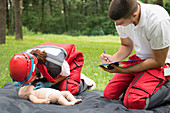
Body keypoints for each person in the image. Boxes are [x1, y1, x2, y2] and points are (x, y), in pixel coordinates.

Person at [100, 0, 170, 109]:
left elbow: (158, 61)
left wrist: (124, 71)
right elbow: (126, 45)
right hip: (139, 60)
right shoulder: (122, 17)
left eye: (120, 23)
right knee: (109, 95)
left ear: (134, 15)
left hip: (162, 64)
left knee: (134, 102)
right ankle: (136, 87)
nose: (117, 25)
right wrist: (114, 58)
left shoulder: (158, 20)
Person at [9, 42, 96, 95]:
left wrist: (49, 84)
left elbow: (66, 74)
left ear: (33, 72)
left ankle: (84, 81)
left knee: (68, 90)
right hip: (46, 57)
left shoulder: (55, 65)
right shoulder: (21, 58)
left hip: (71, 61)